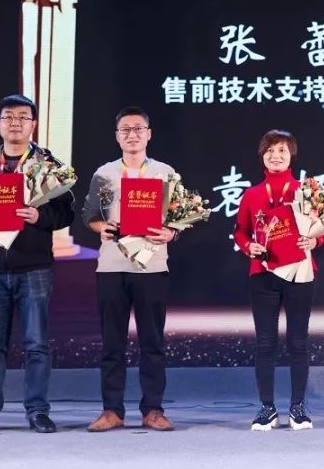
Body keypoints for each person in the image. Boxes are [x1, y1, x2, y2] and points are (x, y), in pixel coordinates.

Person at [0, 94, 75, 434]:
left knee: (36, 344)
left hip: (33, 267)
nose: (15, 123)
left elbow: (66, 212)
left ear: (33, 124)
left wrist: (40, 216)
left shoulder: (49, 166)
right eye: (8, 116)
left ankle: (37, 411)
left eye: (23, 117)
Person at [81, 107, 178, 432]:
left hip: (152, 267)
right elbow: (90, 214)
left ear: (149, 134)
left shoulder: (165, 172)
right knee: (112, 344)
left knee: (153, 343)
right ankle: (112, 410)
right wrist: (102, 227)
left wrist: (171, 233)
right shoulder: (105, 173)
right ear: (117, 136)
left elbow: (179, 217)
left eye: (138, 129)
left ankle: (153, 410)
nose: (132, 134)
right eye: (125, 129)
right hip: (112, 267)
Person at [234, 130, 324, 431]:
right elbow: (240, 231)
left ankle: (298, 408)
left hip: (299, 272)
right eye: (270, 151)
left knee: (298, 342)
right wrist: (249, 246)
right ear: (262, 156)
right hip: (263, 274)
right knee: (265, 343)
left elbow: (322, 226)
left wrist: (315, 240)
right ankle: (267, 408)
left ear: (291, 156)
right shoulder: (251, 195)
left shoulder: (305, 191)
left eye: (282, 151)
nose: (276, 156)